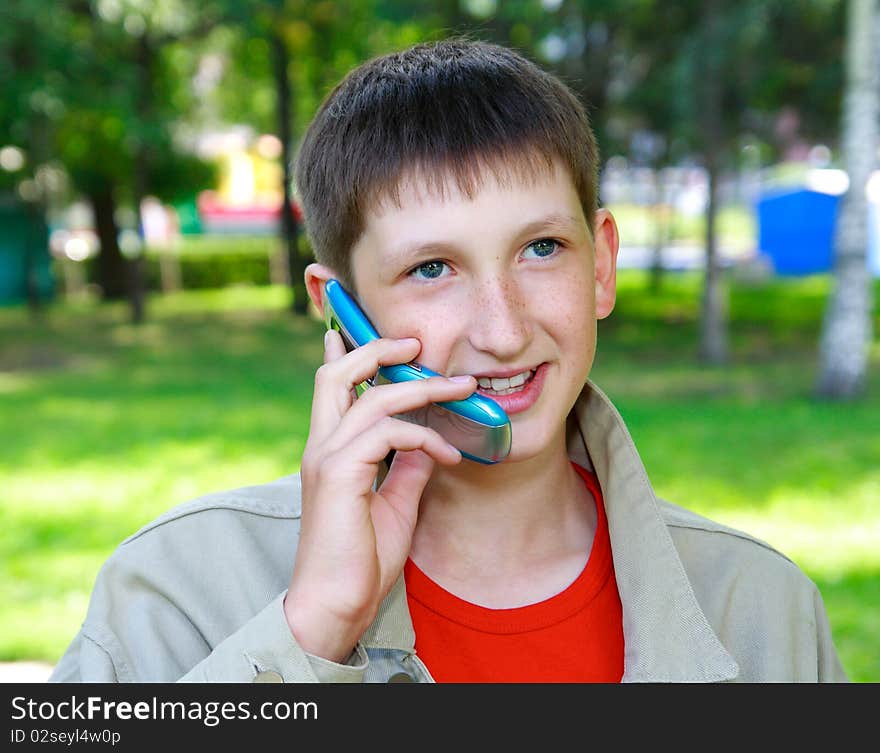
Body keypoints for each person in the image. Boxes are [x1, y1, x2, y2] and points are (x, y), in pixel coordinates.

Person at [50, 38, 847, 683]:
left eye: (541, 248)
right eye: (432, 268)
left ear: (600, 264)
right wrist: (309, 634)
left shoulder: (762, 608)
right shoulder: (174, 586)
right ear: (342, 308)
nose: (501, 331)